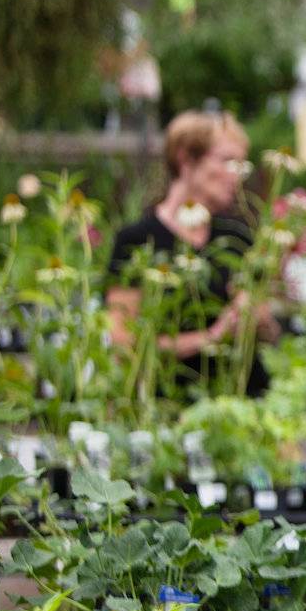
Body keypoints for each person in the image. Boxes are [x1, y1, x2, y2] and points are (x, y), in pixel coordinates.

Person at [106, 110, 277, 396]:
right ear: (186, 160)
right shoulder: (137, 241)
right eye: (227, 161)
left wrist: (258, 318)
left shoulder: (238, 237)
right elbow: (123, 341)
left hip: (239, 399)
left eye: (241, 163)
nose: (237, 174)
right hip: (170, 401)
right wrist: (211, 337)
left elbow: (270, 335)